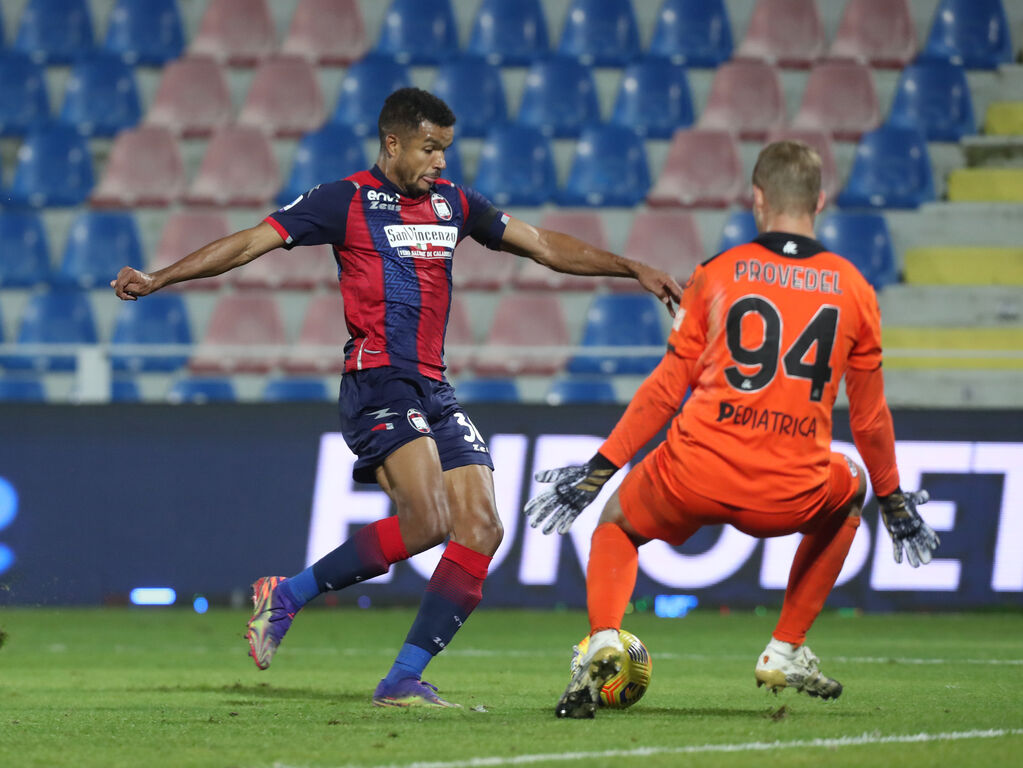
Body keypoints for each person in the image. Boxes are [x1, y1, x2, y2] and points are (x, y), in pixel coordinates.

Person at [110, 87, 683, 709]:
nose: (440, 161)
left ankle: (401, 676)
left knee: (482, 529)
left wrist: (631, 267)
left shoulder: (454, 204)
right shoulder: (345, 200)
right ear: (393, 143)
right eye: (429, 148)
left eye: (446, 149)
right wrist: (159, 277)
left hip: (433, 386)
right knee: (430, 520)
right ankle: (292, 596)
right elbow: (251, 242)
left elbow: (543, 244)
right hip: (378, 380)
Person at [524, 140, 941, 719]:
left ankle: (603, 641)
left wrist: (600, 470)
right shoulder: (855, 289)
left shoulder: (717, 274)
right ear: (820, 201)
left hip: (692, 473)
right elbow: (870, 417)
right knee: (852, 487)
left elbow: (667, 387)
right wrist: (892, 499)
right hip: (788, 491)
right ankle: (785, 647)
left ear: (757, 199)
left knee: (616, 524)